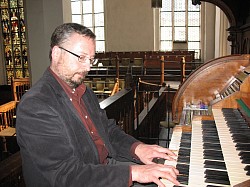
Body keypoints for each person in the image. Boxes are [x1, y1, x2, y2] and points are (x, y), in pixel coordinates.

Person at [16, 23, 180, 187]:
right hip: (83, 179)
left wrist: (137, 148)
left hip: (105, 169)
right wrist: (134, 173)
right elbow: (66, 175)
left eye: (91, 59)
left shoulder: (83, 91)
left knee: (171, 178)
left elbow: (107, 130)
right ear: (56, 53)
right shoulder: (36, 106)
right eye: (81, 57)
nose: (88, 67)